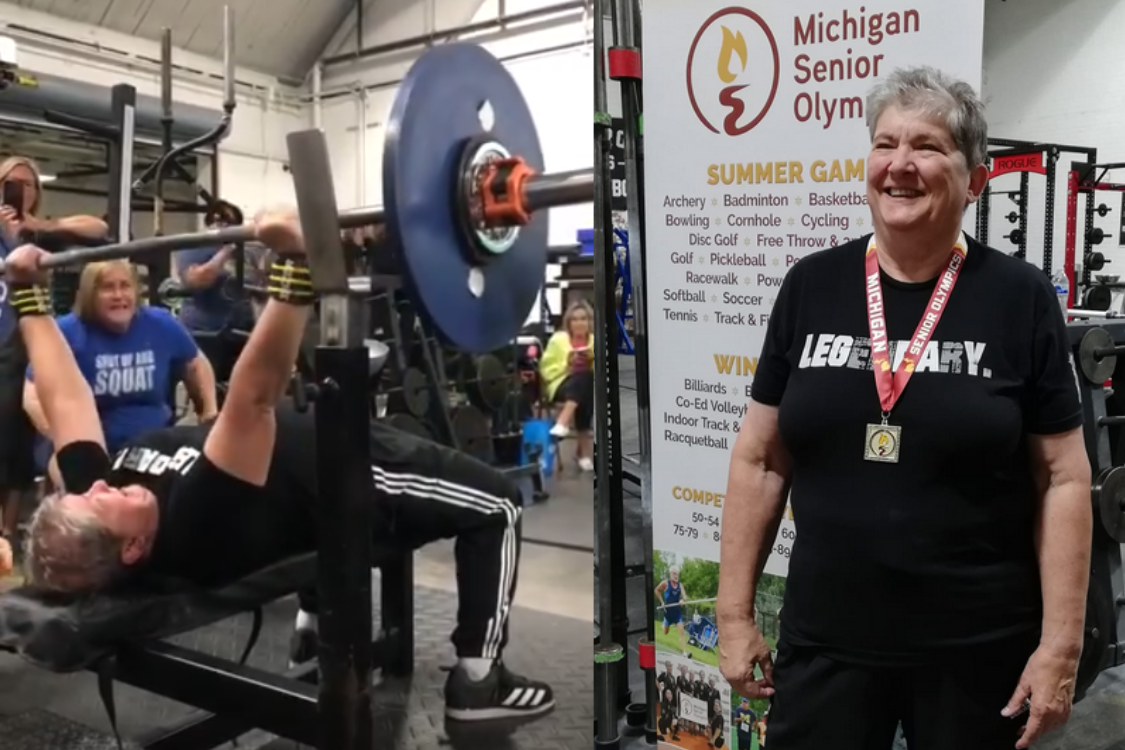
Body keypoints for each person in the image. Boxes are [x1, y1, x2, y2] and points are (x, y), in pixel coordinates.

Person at [9, 206, 553, 723]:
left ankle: (313, 628)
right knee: (498, 503)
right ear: (132, 548)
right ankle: (479, 680)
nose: (103, 483)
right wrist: (294, 267)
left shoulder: (100, 503)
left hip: (307, 451)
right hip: (351, 469)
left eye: (86, 489)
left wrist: (26, 293)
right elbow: (252, 397)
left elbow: (67, 400)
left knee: (282, 504)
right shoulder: (195, 523)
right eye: (103, 498)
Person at [715, 66, 1091, 750]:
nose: (899, 165)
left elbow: (1061, 479)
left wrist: (1060, 647)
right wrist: (732, 612)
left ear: (973, 177)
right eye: (884, 144)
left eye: (925, 146)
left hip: (974, 651)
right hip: (826, 641)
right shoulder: (811, 286)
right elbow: (761, 457)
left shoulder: (1018, 297)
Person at [22, 259, 218, 480]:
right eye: (107, 288)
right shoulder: (66, 332)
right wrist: (68, 439)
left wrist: (209, 415)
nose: (118, 295)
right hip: (91, 448)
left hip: (153, 444)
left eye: (125, 286)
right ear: (89, 294)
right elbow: (31, 395)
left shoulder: (160, 323)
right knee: (74, 478)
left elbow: (196, 363)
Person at [0, 155, 107, 545]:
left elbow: (99, 228)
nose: (20, 189)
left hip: (23, 342)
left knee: (17, 437)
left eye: (29, 184)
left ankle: (8, 531)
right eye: (12, 182)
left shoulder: (39, 232)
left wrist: (34, 229)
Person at [173, 201, 255, 335]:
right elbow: (197, 281)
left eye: (229, 221)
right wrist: (226, 251)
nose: (222, 223)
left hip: (242, 330)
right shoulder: (193, 246)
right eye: (220, 219)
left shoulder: (247, 252)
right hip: (204, 332)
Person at [539, 299, 595, 471]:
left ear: (589, 321)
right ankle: (583, 452)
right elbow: (545, 367)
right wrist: (567, 366)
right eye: (575, 319)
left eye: (583, 319)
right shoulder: (558, 340)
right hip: (561, 384)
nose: (579, 323)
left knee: (586, 378)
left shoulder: (595, 341)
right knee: (583, 380)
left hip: (586, 388)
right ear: (568, 322)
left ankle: (564, 422)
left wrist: (592, 359)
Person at [656, 565, 691, 658]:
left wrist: (683, 600)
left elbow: (685, 596)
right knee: (666, 632)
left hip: (677, 613)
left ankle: (684, 653)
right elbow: (657, 590)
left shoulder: (680, 586)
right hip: (668, 613)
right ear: (670, 574)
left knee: (681, 632)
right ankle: (664, 625)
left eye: (677, 574)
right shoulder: (665, 583)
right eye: (674, 574)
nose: (676, 576)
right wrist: (662, 602)